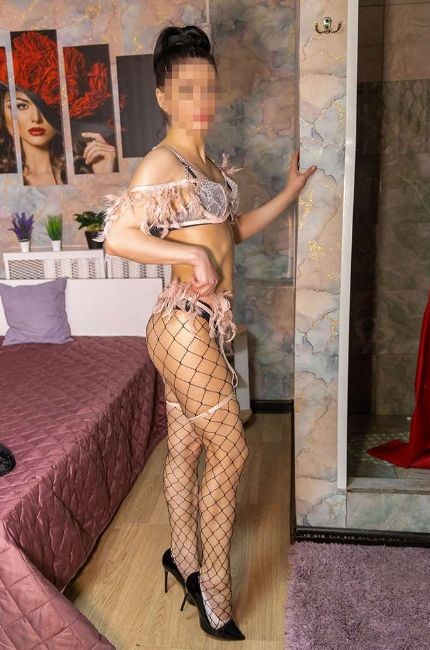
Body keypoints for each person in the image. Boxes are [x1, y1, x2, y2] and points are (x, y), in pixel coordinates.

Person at [94, 24, 317, 641]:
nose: (201, 100)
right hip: (182, 326)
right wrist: (187, 257)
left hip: (203, 328)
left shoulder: (206, 165)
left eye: (209, 87)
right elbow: (116, 237)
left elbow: (231, 232)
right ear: (163, 96)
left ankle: (182, 558)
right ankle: (214, 591)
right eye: (186, 88)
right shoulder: (162, 161)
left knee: (187, 447)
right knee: (232, 448)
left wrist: (289, 194)